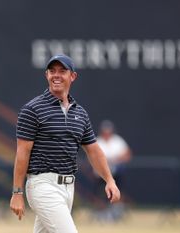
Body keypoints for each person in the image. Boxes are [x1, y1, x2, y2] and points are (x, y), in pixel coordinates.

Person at [10, 54, 121, 233]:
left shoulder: (81, 113)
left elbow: (93, 151)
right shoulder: (32, 109)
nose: (56, 75)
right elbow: (23, 152)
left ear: (73, 76)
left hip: (68, 189)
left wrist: (109, 180)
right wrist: (17, 192)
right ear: (46, 75)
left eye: (62, 71)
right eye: (52, 71)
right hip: (42, 186)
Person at [95, 120, 132, 221]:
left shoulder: (118, 141)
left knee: (117, 192)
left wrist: (116, 160)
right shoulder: (98, 141)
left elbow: (127, 154)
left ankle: (116, 214)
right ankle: (102, 215)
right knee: (101, 194)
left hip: (116, 173)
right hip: (101, 174)